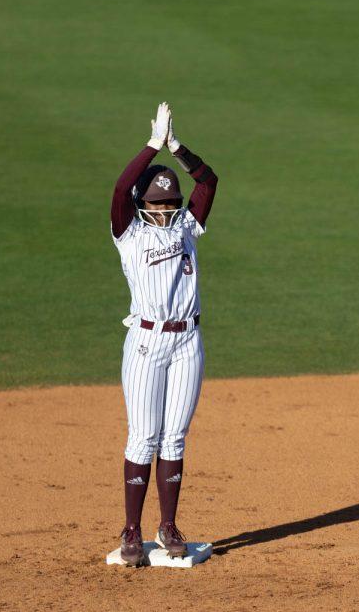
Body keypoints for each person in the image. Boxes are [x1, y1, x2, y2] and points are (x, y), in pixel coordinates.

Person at [109, 102, 219, 566]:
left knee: (174, 438)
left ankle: (168, 526)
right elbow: (118, 188)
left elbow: (209, 182)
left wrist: (178, 150)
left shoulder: (189, 226)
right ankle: (131, 532)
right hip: (147, 343)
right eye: (156, 204)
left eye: (170, 203)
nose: (165, 210)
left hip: (187, 341)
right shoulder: (127, 233)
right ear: (141, 205)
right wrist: (152, 144)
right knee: (143, 438)